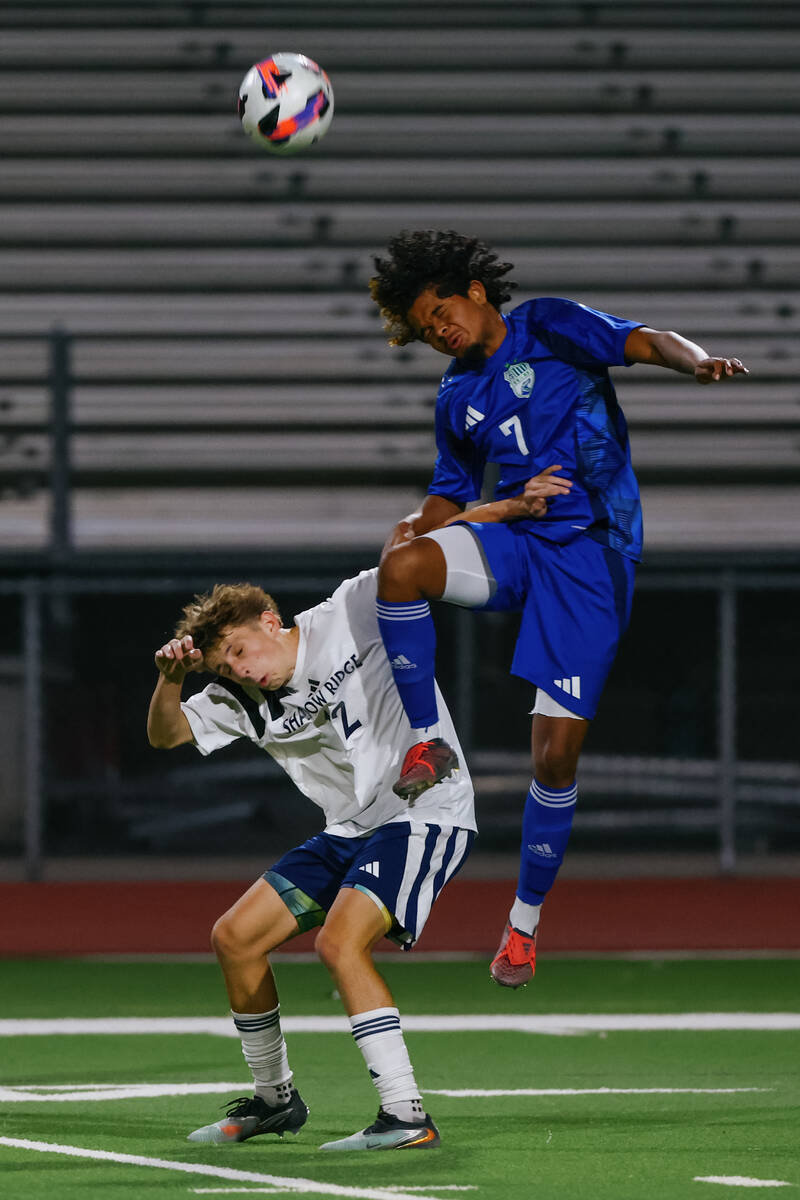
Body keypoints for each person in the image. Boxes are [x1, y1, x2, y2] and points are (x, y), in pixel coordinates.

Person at [368, 228, 749, 989]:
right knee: (401, 567)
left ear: (475, 292)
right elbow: (452, 490)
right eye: (423, 326)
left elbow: (642, 339)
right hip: (516, 537)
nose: (437, 330)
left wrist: (694, 361)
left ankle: (522, 925)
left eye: (440, 310)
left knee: (554, 757)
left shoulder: (547, 325)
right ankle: (426, 745)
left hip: (589, 555)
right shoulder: (455, 392)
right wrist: (422, 521)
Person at [147, 567, 475, 1151]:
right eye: (224, 667)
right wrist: (172, 680)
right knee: (235, 937)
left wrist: (499, 512)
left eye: (241, 651)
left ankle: (405, 1113)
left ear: (271, 622)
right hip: (350, 830)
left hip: (423, 809)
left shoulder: (348, 610)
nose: (240, 670)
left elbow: (411, 561)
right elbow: (165, 735)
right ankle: (276, 1101)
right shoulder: (240, 699)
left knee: (339, 942)